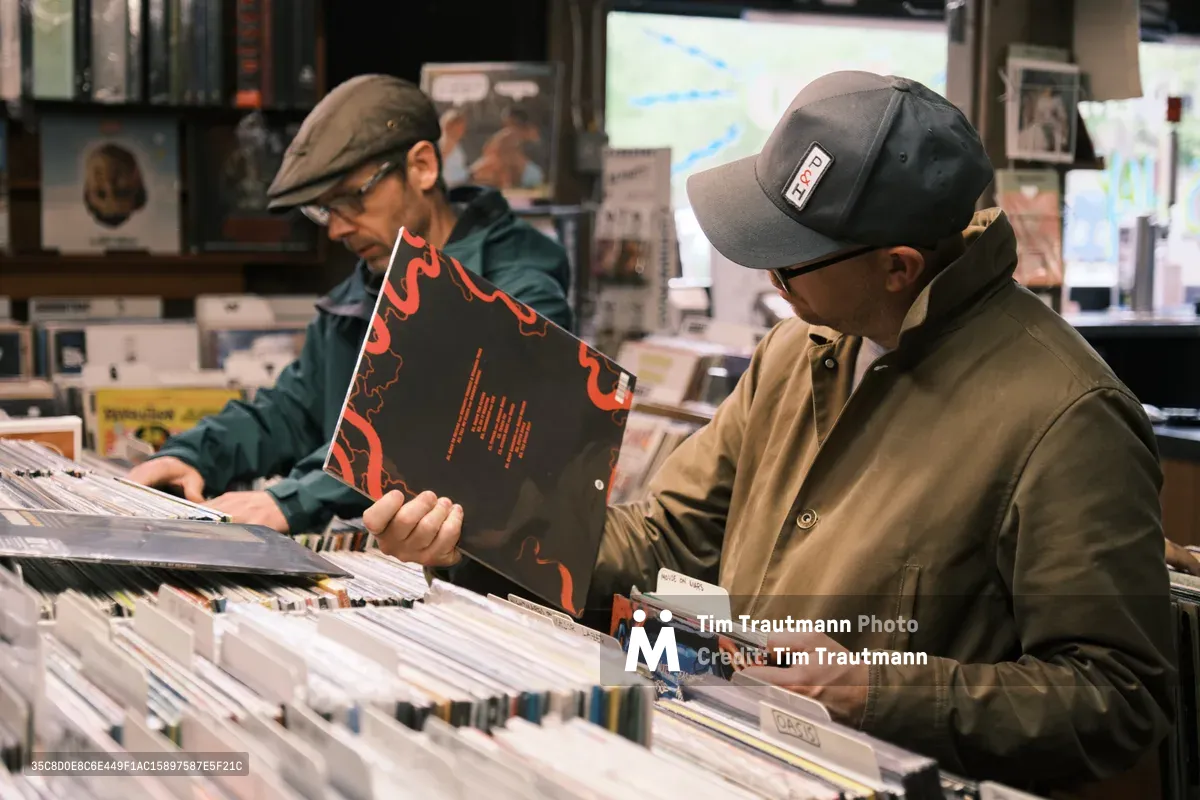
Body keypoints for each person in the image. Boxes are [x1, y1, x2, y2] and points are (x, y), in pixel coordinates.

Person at [361, 72, 1179, 795]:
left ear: (897, 267)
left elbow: (1119, 697)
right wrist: (474, 539)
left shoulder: (1067, 416)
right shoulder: (796, 350)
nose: (767, 279)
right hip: (726, 749)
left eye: (790, 261)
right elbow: (660, 537)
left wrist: (873, 687)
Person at [126, 74, 573, 534]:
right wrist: (194, 454)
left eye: (351, 198)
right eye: (324, 209)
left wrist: (292, 499)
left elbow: (439, 430)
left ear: (421, 167)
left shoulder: (520, 295)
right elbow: (293, 409)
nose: (337, 229)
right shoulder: (361, 295)